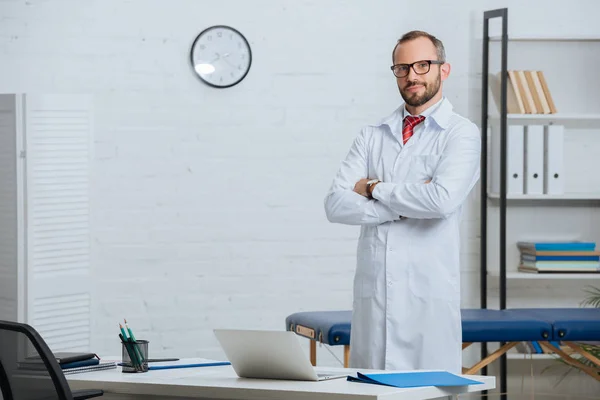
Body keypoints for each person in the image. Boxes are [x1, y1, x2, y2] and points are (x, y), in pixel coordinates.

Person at [323, 30, 481, 374]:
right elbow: (335, 205)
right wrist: (408, 201)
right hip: (375, 300)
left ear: (444, 69)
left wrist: (374, 187)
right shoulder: (372, 134)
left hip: (428, 295)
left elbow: (441, 200)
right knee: (372, 390)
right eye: (402, 67)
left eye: (423, 65)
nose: (412, 76)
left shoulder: (461, 133)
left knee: (430, 391)